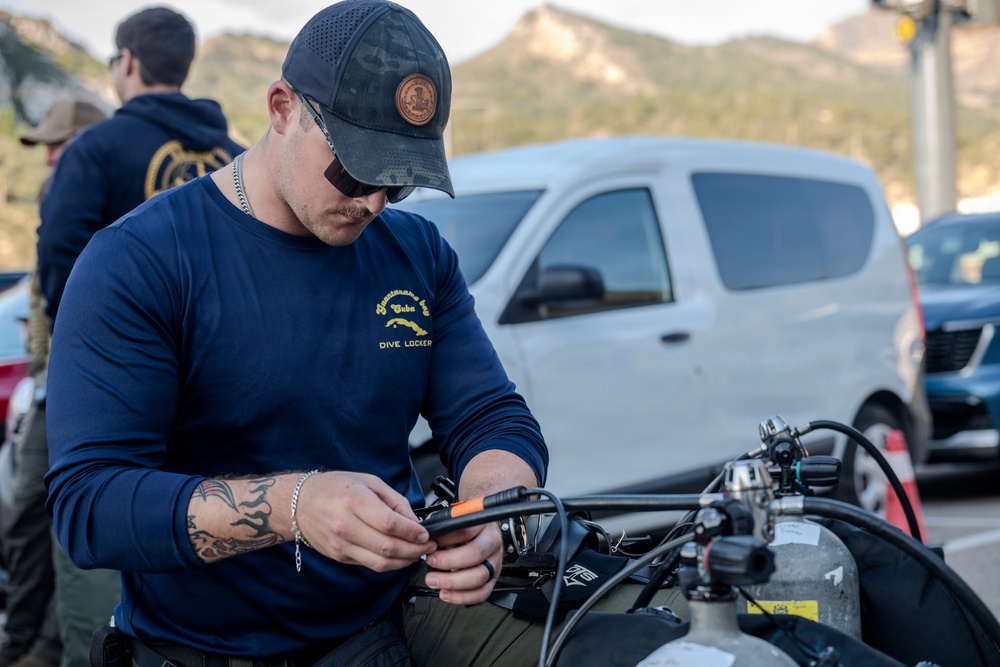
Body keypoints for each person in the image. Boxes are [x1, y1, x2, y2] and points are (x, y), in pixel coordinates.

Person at [43, 1, 558, 665]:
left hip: (376, 626)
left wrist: (491, 516)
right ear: (282, 108)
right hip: (199, 646)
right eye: (354, 168)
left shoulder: (416, 254)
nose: (372, 200)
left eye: (398, 181)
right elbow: (91, 506)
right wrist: (293, 504)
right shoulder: (141, 261)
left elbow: (491, 416)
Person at [35, 8, 244, 667]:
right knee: (211, 539)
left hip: (113, 389)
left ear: (126, 61)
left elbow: (57, 264)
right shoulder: (236, 156)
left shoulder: (96, 150)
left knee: (94, 537)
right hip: (224, 390)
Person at [1, 96, 106, 667]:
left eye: (57, 145)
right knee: (37, 527)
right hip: (46, 377)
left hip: (63, 384)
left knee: (43, 520)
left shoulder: (86, 193)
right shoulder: (66, 191)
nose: (48, 160)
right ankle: (32, 644)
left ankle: (30, 649)